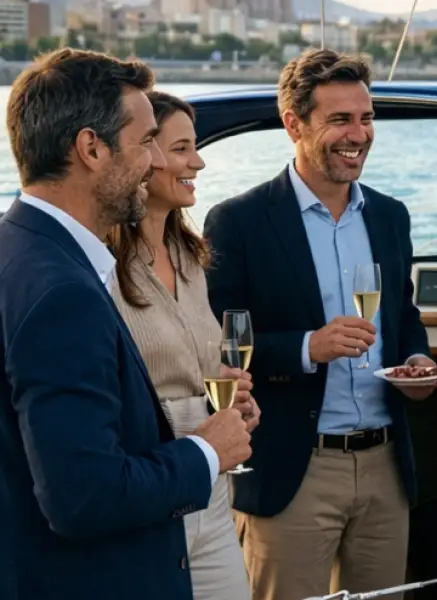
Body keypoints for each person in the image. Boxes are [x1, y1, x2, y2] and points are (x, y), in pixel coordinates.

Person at [0, 49, 252, 600]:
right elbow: (82, 496)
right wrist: (207, 451)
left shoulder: (17, 249)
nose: (152, 161)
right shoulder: (63, 291)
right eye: (144, 142)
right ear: (91, 148)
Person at [201, 49, 437, 600]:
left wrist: (420, 360)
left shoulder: (390, 215)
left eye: (366, 118)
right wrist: (309, 347)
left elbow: (403, 316)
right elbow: (220, 348)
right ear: (294, 125)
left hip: (385, 467)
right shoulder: (238, 221)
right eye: (340, 120)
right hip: (294, 469)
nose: (359, 135)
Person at [103, 89, 262, 600]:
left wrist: (234, 404)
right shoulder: (100, 266)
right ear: (142, 156)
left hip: (212, 496)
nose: (197, 161)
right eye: (179, 148)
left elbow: (207, 368)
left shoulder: (192, 257)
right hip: (151, 494)